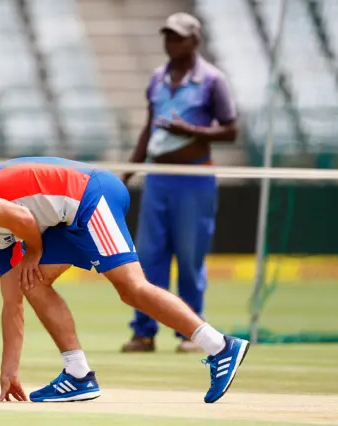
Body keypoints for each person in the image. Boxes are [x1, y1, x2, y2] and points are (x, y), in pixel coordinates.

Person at [0, 157, 249, 404]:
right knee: (30, 282)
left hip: (92, 193)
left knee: (131, 288)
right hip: (72, 211)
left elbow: (24, 219)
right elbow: (12, 305)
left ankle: (219, 346)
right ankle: (78, 374)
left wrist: (34, 252)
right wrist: (9, 372)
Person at [121, 12, 239, 353]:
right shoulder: (158, 78)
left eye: (179, 37)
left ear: (195, 40)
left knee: (190, 257)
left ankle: (191, 332)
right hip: (158, 178)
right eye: (168, 37)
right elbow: (148, 128)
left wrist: (191, 131)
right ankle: (143, 332)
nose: (171, 43)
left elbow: (231, 130)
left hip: (194, 178)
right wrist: (127, 173)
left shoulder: (213, 80)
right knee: (148, 257)